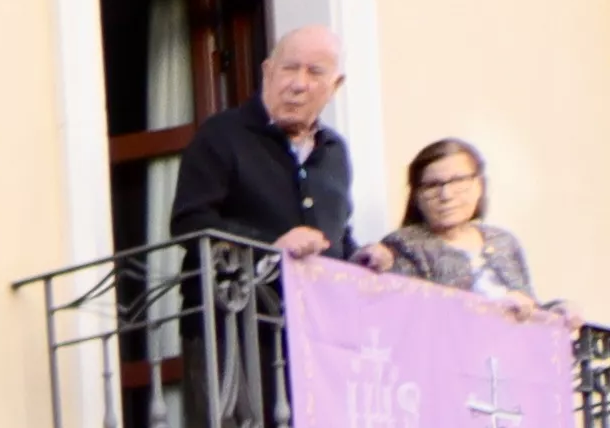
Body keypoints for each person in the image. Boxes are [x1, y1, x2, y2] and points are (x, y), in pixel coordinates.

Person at [174, 26, 359, 258]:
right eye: (289, 69)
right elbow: (190, 223)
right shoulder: (221, 133)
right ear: (268, 72)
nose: (298, 84)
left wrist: (360, 258)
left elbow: (337, 234)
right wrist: (271, 246)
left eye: (314, 72)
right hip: (242, 293)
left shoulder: (334, 150)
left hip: (313, 294)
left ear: (335, 86)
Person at [381, 140, 550, 307]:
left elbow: (532, 308)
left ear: (479, 186)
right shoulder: (402, 246)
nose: (446, 195)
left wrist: (559, 310)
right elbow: (412, 317)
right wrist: (497, 308)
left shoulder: (503, 241)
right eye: (432, 185)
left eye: (458, 181)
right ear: (416, 196)